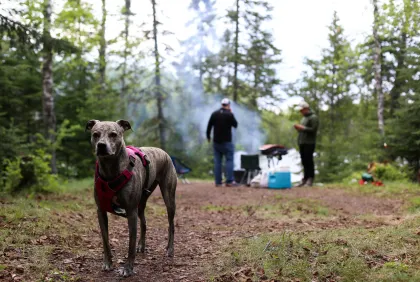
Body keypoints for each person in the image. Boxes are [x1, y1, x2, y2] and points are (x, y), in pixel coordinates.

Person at [206, 98, 238, 187]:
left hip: (216, 142)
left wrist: (208, 137)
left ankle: (218, 182)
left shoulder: (214, 114)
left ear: (221, 104)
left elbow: (209, 127)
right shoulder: (229, 114)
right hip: (227, 142)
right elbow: (235, 125)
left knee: (218, 162)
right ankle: (229, 181)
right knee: (229, 160)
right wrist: (231, 113)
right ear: (228, 105)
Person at [294, 101, 319, 187]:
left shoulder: (313, 117)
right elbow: (303, 130)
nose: (300, 112)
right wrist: (299, 128)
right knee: (304, 161)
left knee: (309, 161)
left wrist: (302, 128)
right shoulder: (303, 118)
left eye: (301, 110)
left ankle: (310, 179)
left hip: (309, 142)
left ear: (306, 109)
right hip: (302, 142)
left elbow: (313, 130)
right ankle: (305, 179)